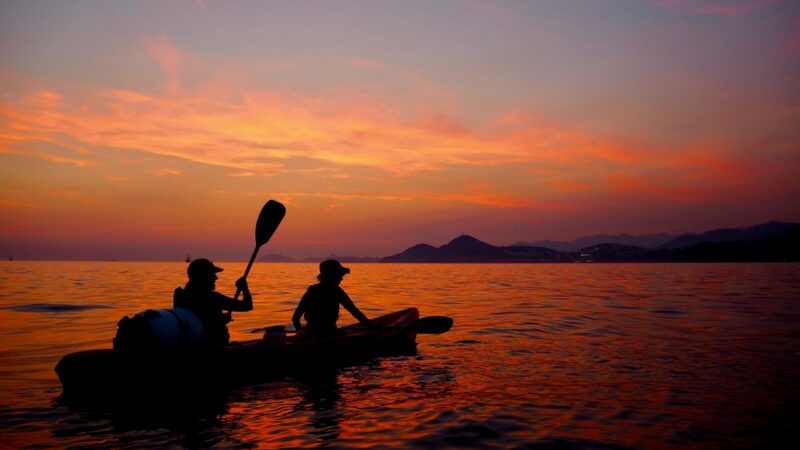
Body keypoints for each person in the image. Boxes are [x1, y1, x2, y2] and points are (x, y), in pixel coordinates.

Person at [173, 258, 252, 346]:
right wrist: (245, 289)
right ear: (202, 276)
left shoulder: (181, 296)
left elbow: (200, 318)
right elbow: (247, 306)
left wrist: (220, 320)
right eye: (212, 274)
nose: (216, 278)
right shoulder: (212, 298)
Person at [292, 259, 373, 338]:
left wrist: (299, 332)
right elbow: (354, 311)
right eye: (339, 275)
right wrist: (371, 326)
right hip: (329, 333)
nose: (342, 278)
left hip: (312, 332)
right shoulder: (337, 291)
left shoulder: (312, 290)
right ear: (332, 276)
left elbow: (295, 318)